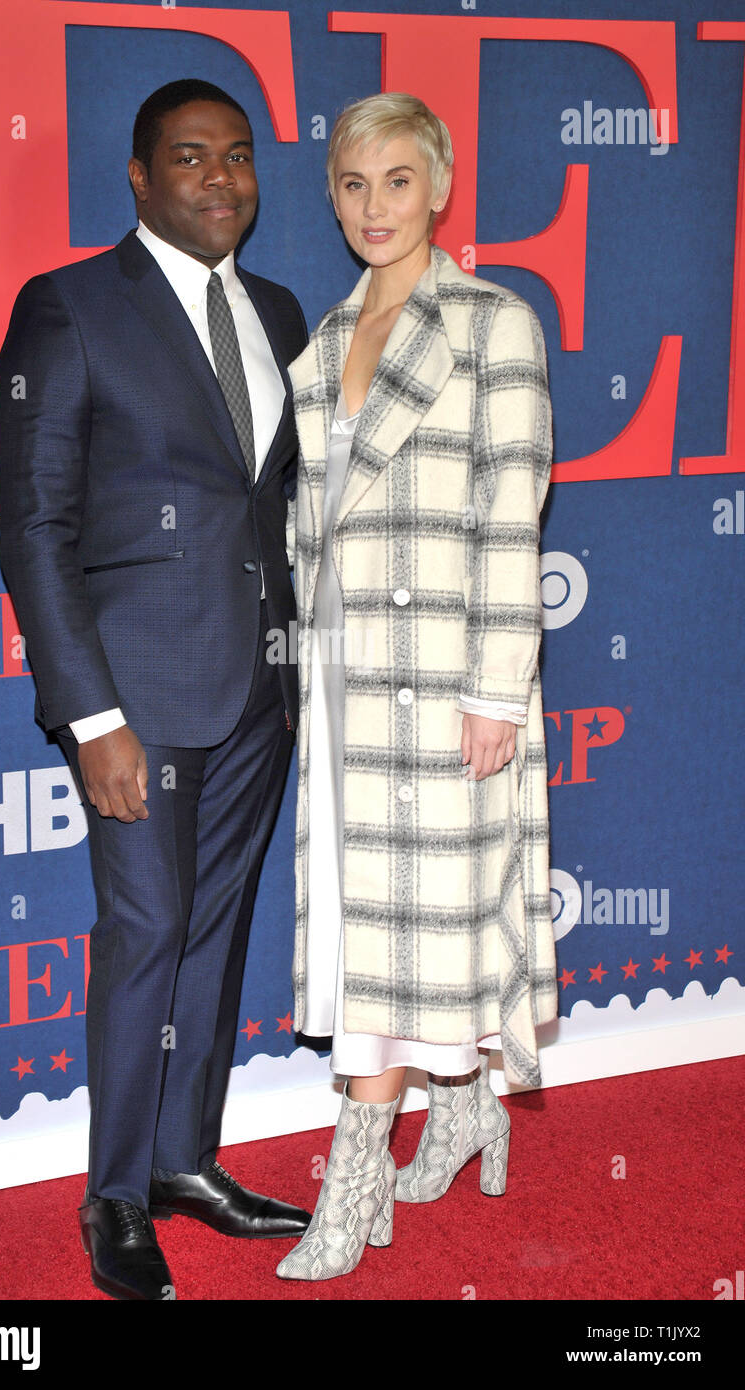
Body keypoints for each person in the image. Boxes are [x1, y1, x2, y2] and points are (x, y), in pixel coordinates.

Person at [0, 79, 312, 1301]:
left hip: (258, 692)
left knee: (215, 935)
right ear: (138, 176)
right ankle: (114, 1194)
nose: (221, 179)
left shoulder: (282, 310)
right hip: (135, 698)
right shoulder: (71, 307)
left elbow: (278, 507)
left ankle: (187, 1161)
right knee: (144, 933)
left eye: (238, 158)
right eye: (192, 159)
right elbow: (36, 528)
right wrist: (92, 715)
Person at [277, 92, 558, 1282]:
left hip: (447, 681)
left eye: (398, 181)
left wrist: (496, 690)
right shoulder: (315, 341)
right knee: (365, 924)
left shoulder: (494, 322)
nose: (374, 207)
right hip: (344, 680)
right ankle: (463, 1108)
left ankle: (353, 1176)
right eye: (352, 184)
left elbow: (512, 510)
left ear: (439, 187)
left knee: (416, 932)